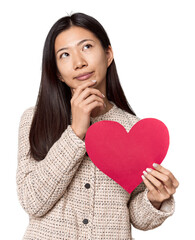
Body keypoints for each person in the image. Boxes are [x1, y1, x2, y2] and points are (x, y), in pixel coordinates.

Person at [16, 12, 179, 240]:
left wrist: (155, 198)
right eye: (64, 54)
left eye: (87, 47)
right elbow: (32, 201)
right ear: (58, 73)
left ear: (108, 54)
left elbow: (136, 217)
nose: (79, 62)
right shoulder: (35, 119)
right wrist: (76, 132)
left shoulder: (134, 129)